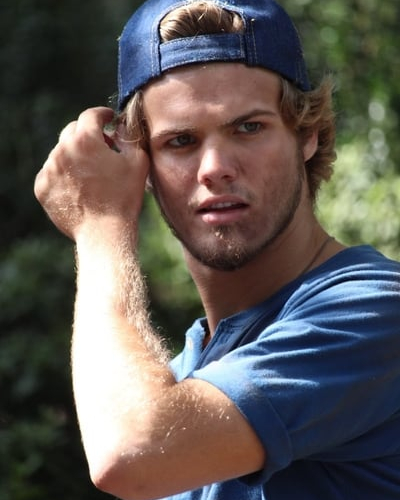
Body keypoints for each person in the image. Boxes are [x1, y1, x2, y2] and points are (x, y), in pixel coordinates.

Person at [34, 0, 400, 499]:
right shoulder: (179, 381)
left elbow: (132, 453)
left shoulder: (375, 312)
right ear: (141, 167)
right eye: (181, 141)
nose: (215, 168)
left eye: (248, 128)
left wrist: (100, 224)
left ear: (307, 135)